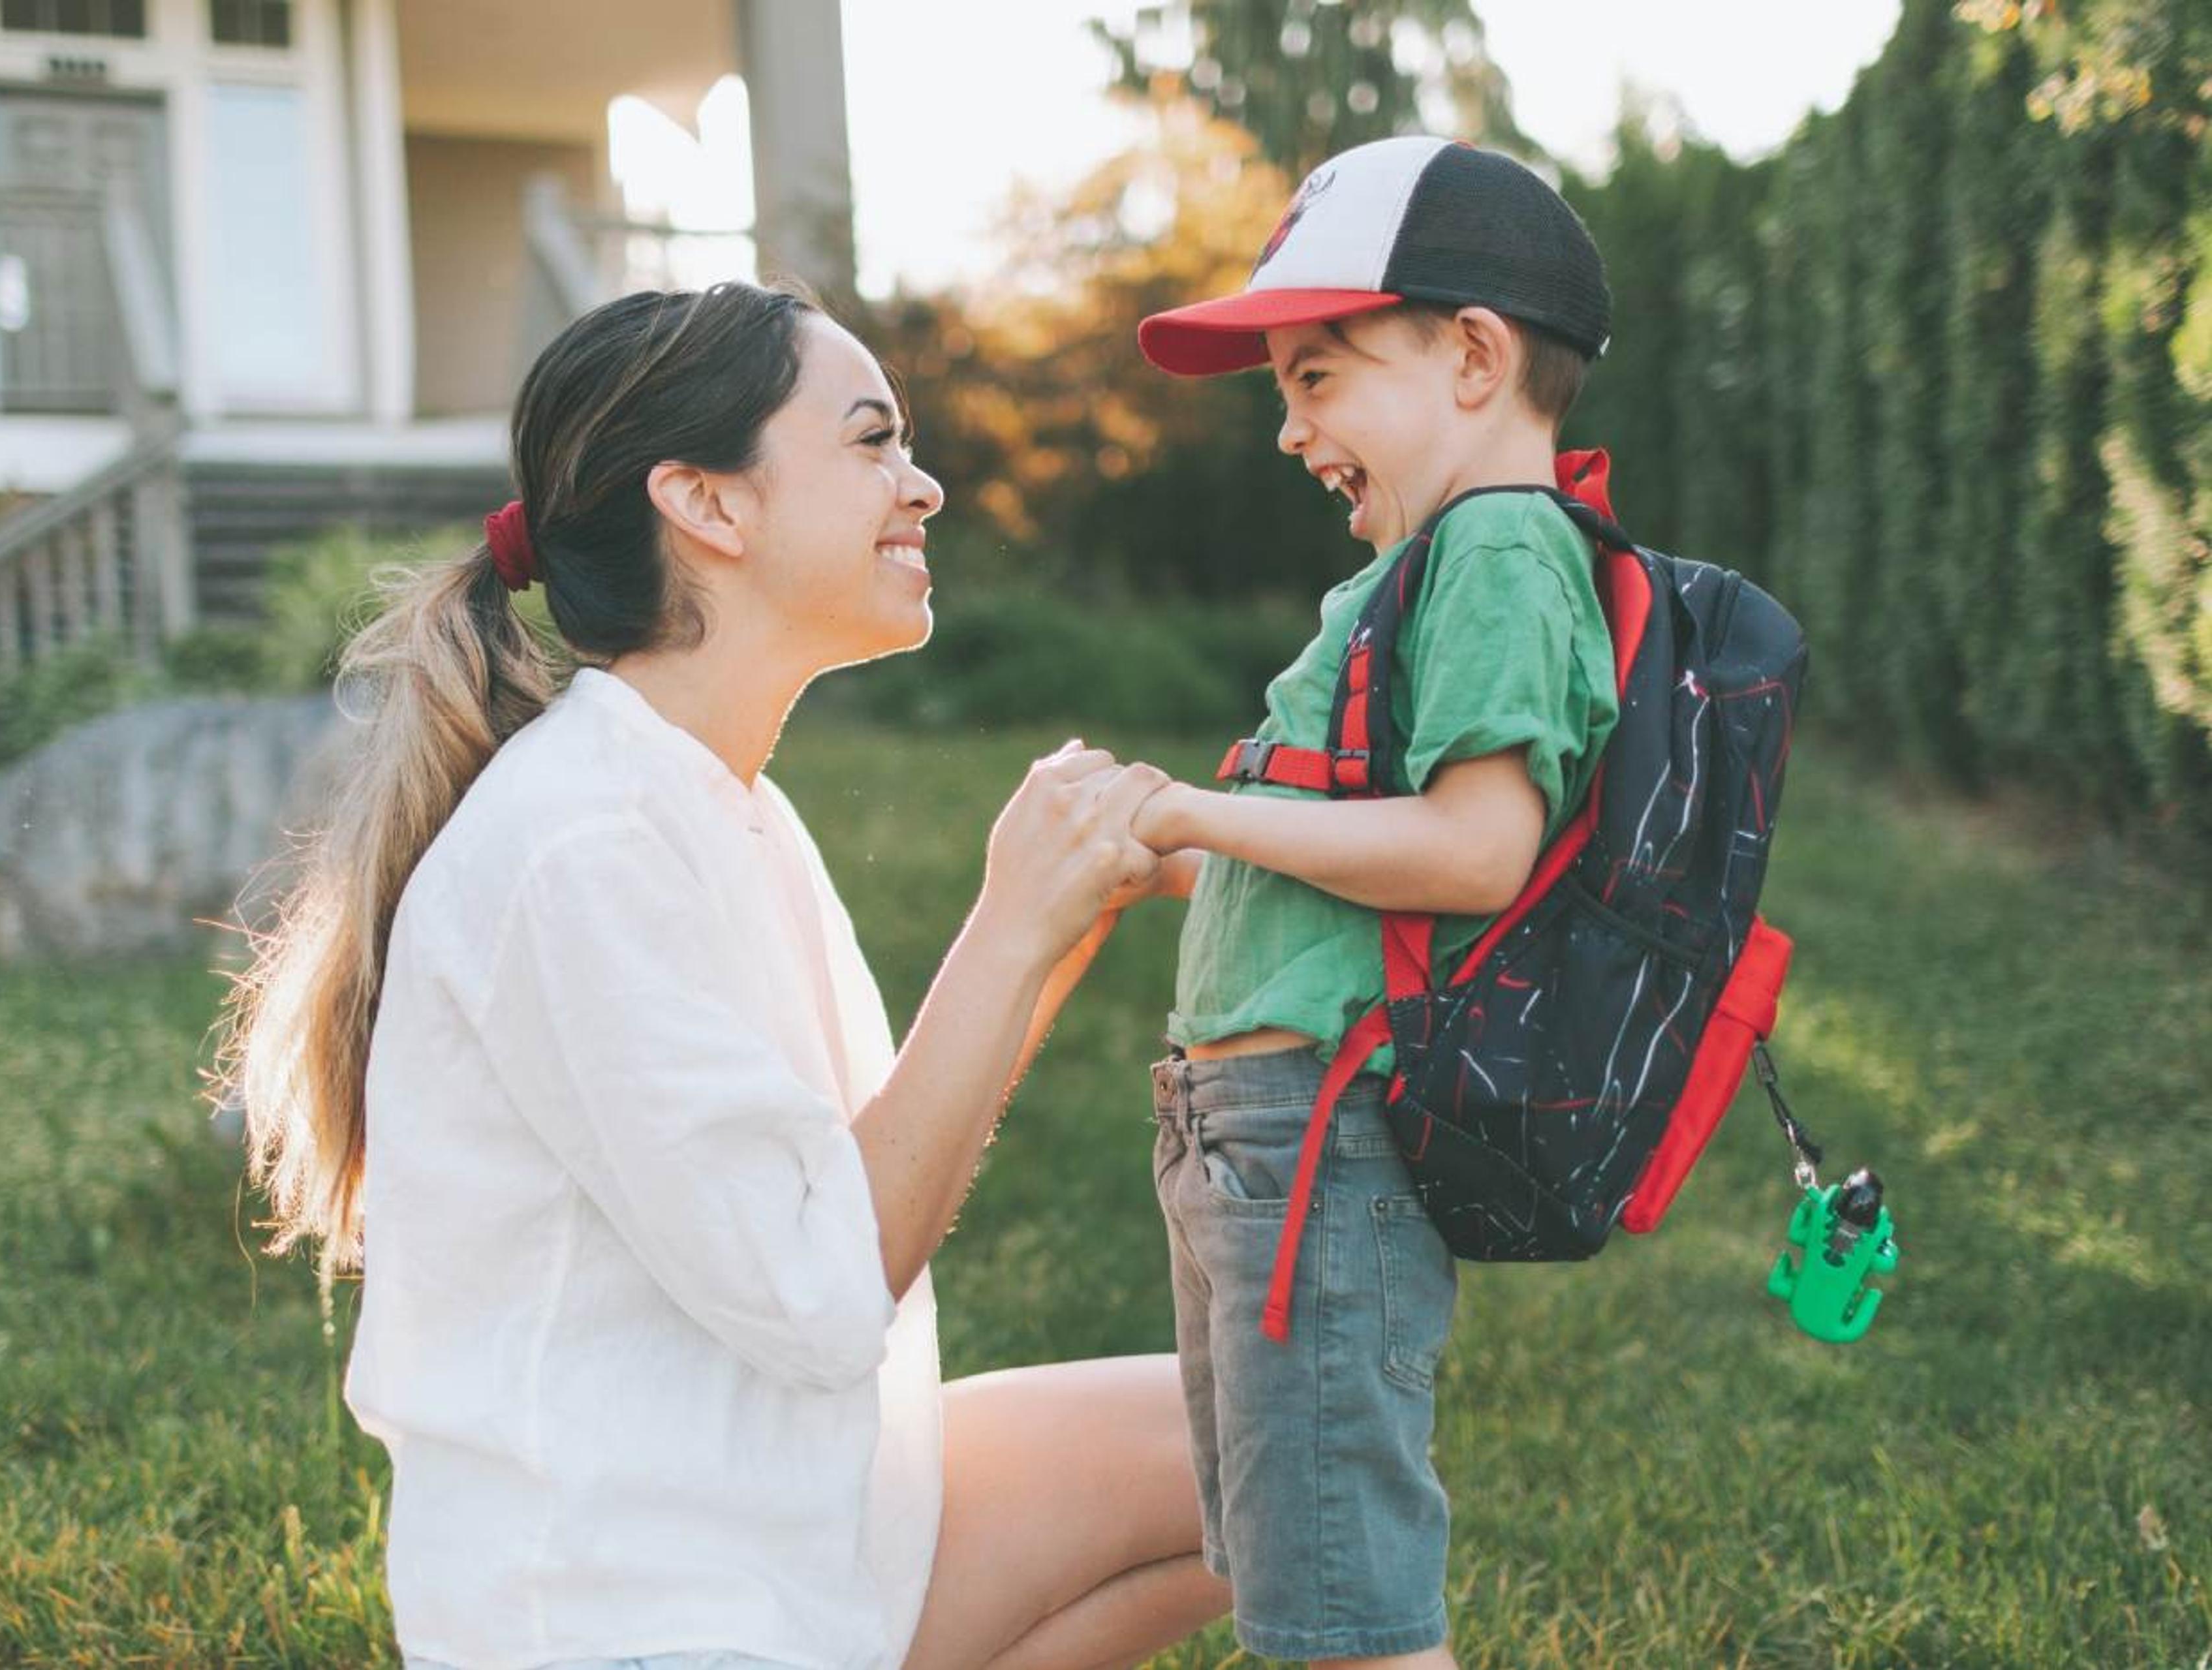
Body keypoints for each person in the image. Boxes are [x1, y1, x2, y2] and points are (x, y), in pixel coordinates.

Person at [212, 283, 1232, 1669]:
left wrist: (1064, 915)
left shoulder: (710, 799)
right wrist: (1008, 921)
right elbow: (825, 1284)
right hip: (628, 1610)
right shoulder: (579, 842)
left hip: (777, 1523)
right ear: (707, 502)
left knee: (1263, 1433)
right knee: (1274, 1442)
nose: (922, 485)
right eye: (872, 440)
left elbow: (855, 1170)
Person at [1115, 136, 1626, 1667]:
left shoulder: (1497, 547)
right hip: (1249, 1130)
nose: (1288, 428)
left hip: (1320, 1135)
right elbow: (1352, 870)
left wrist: (1211, 806)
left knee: (1346, 1613)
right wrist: (1181, 854)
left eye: (1318, 374)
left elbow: (1478, 848)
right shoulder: (1429, 565)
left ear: (1474, 356)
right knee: (1293, 1573)